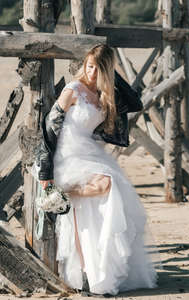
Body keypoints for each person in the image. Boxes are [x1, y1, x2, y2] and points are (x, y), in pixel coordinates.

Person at [36, 44, 158, 295]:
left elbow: (135, 102)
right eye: (89, 66)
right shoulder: (73, 91)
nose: (91, 73)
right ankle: (63, 193)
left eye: (97, 69)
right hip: (68, 155)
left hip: (90, 153)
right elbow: (48, 132)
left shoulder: (106, 93)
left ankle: (97, 273)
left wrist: (110, 74)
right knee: (107, 185)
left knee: (107, 203)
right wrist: (45, 174)